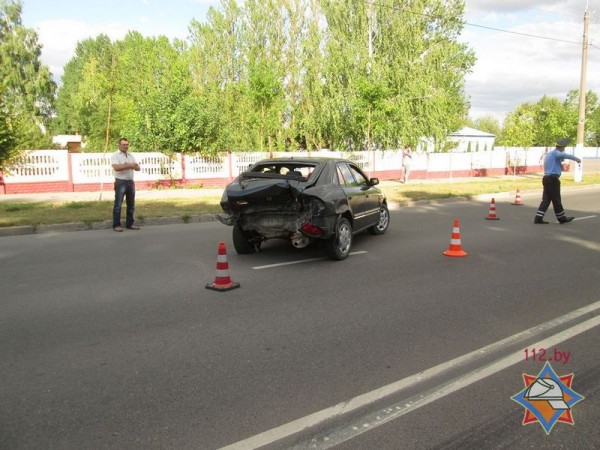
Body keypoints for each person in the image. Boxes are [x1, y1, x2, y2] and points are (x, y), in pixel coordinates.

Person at [534, 137, 581, 224]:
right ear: (562, 147)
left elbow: (559, 159)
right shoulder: (557, 153)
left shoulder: (550, 154)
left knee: (546, 199)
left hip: (546, 178)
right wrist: (577, 159)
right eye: (564, 148)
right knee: (556, 199)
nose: (564, 149)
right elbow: (566, 155)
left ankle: (538, 217)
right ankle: (562, 218)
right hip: (552, 179)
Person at [111, 137, 141, 232]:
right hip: (121, 182)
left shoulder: (130, 155)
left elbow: (138, 168)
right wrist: (129, 165)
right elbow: (116, 167)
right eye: (123, 144)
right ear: (119, 145)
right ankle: (116, 225)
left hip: (130, 182)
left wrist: (132, 165)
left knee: (131, 204)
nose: (125, 146)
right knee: (118, 204)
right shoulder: (115, 155)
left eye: (127, 144)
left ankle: (130, 223)